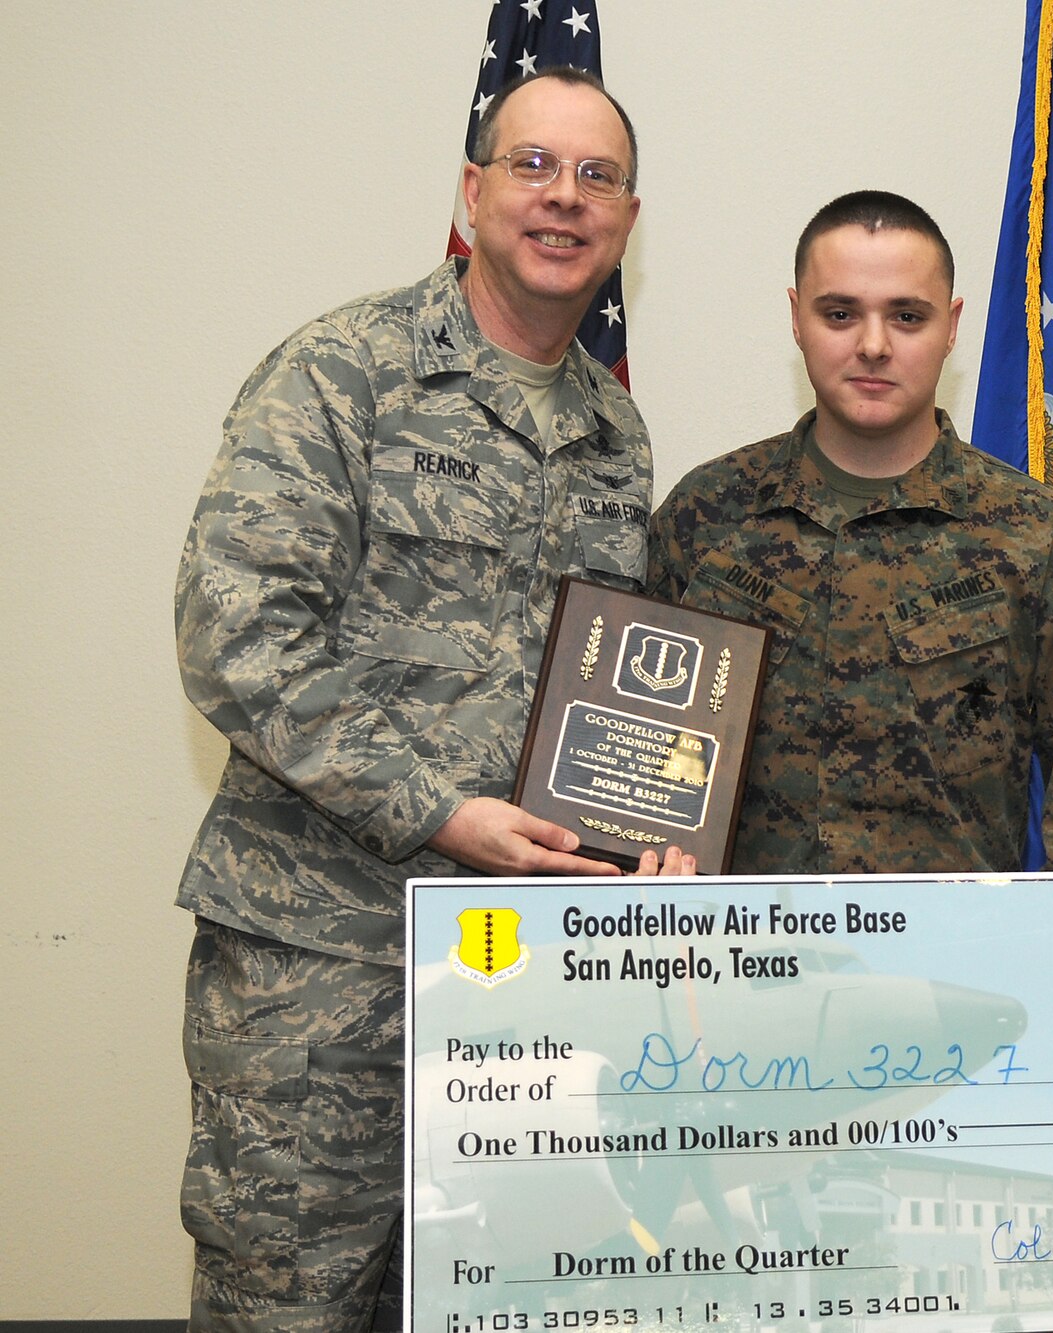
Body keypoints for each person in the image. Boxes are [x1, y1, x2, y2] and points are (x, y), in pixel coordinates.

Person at [173, 68, 676, 1331]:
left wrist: (652, 825)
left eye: (596, 177)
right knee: (289, 1301)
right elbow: (237, 633)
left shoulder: (617, 435)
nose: (563, 199)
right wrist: (439, 810)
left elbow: (604, 701)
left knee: (490, 1306)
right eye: (532, 166)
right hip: (320, 975)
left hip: (521, 988)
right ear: (471, 190)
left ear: (626, 219)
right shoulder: (345, 372)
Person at [648, 190, 1053, 875]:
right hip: (741, 959)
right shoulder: (705, 519)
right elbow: (640, 749)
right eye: (840, 313)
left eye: (907, 316)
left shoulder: (1039, 542)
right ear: (797, 318)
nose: (873, 345)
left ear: (951, 326)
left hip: (951, 967)